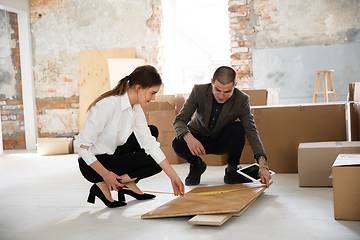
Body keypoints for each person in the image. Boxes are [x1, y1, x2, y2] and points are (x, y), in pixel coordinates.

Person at [74, 65, 184, 208]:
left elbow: (149, 143)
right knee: (154, 162)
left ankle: (124, 182)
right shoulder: (108, 105)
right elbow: (81, 146)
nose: (153, 97)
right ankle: (103, 183)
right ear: (139, 88)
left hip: (112, 152)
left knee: (151, 132)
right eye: (152, 93)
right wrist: (106, 175)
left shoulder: (136, 109)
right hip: (93, 164)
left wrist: (173, 176)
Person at [172, 66, 271, 187]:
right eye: (217, 90)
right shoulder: (199, 91)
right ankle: (197, 165)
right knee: (177, 142)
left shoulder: (242, 100)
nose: (221, 96)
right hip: (197, 140)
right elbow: (179, 120)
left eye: (227, 92)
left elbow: (251, 130)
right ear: (212, 81)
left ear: (234, 86)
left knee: (239, 128)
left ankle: (232, 171)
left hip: (221, 141)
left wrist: (263, 164)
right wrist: (188, 137)